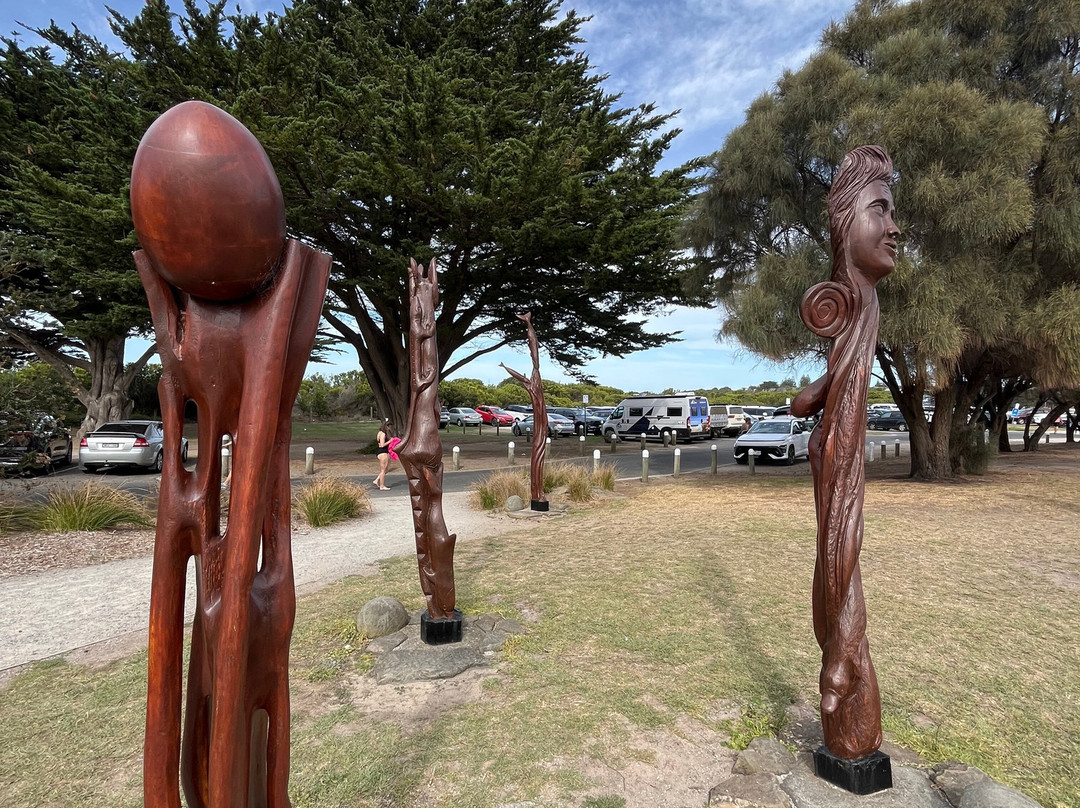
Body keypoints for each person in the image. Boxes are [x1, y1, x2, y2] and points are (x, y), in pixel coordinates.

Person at [373, 419, 393, 490]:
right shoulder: (383, 434)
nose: (390, 428)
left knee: (385, 469)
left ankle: (377, 480)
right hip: (382, 452)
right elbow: (382, 445)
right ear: (386, 426)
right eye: (389, 426)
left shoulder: (380, 433)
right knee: (383, 470)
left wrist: (389, 439)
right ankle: (382, 485)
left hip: (383, 451)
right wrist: (390, 441)